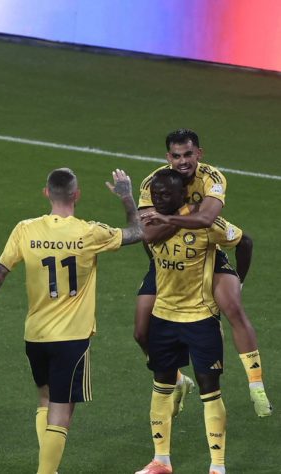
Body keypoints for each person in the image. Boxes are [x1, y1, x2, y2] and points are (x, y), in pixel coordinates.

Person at [0, 168, 143, 474]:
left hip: (36, 336)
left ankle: (49, 469)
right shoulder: (90, 232)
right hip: (72, 338)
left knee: (45, 399)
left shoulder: (25, 229)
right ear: (77, 195)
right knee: (62, 412)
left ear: (46, 194)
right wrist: (126, 196)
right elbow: (138, 230)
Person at [136, 128, 270, 417]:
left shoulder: (212, 177)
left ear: (199, 153)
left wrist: (170, 217)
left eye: (188, 154)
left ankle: (256, 386)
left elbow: (207, 218)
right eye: (176, 156)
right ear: (168, 157)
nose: (183, 161)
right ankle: (178, 380)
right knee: (141, 331)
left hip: (204, 249)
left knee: (233, 307)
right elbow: (147, 234)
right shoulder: (154, 182)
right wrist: (188, 213)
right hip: (165, 259)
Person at [135, 169, 252, 474]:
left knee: (209, 390)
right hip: (163, 316)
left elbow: (244, 241)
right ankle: (161, 461)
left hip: (200, 318)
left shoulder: (208, 225)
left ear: (182, 195)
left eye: (166, 195)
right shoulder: (151, 224)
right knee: (161, 386)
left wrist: (237, 281)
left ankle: (217, 466)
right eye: (155, 195)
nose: (158, 200)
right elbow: (144, 236)